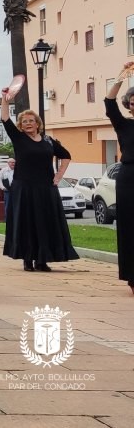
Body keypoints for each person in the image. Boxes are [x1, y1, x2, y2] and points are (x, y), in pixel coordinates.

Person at [0, 91, 78, 272]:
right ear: (20, 125)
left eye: (31, 120)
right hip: (24, 188)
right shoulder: (18, 138)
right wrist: (5, 99)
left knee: (45, 223)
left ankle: (42, 260)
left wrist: (59, 175)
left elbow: (66, 156)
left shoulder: (48, 141)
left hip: (45, 188)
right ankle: (28, 259)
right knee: (26, 223)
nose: (28, 123)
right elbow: (5, 118)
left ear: (37, 123)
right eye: (24, 121)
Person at [104, 61, 134, 294]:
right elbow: (109, 102)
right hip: (129, 178)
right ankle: (132, 276)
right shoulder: (123, 125)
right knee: (130, 227)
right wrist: (122, 75)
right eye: (133, 103)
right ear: (128, 106)